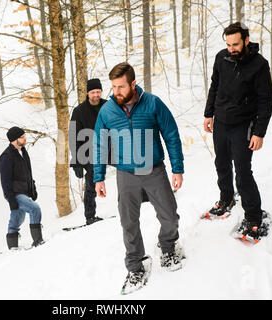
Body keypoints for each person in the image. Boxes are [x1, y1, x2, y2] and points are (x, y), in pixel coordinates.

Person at [93, 62, 185, 294]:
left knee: (169, 216)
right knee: (129, 223)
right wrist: (99, 177)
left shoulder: (153, 103)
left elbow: (171, 134)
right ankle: (136, 265)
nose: (116, 92)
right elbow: (99, 144)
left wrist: (177, 168)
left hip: (154, 170)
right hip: (125, 173)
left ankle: (168, 245)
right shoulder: (107, 111)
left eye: (121, 86)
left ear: (133, 84)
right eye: (113, 87)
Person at [203, 22, 272, 241]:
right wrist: (208, 114)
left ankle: (253, 217)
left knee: (243, 172)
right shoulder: (221, 58)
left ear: (246, 40)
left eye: (235, 44)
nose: (231, 48)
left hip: (244, 125)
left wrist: (259, 132)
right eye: (228, 44)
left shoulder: (259, 65)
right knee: (221, 164)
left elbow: (266, 100)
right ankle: (226, 199)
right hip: (221, 122)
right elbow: (215, 86)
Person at [0, 126, 44, 249]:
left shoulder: (23, 151)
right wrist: (11, 199)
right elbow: (5, 181)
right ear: (14, 140)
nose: (25, 139)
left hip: (25, 191)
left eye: (24, 136)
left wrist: (32, 188)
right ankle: (38, 241)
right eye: (22, 137)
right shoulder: (6, 157)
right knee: (35, 209)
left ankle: (12, 247)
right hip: (15, 193)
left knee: (17, 219)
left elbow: (28, 173)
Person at [69, 79, 108, 225]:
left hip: (110, 148)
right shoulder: (79, 111)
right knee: (92, 180)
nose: (96, 95)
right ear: (88, 93)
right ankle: (90, 217)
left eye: (98, 91)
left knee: (131, 166)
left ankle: (146, 194)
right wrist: (76, 162)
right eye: (93, 92)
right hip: (90, 152)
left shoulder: (108, 106)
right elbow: (73, 137)